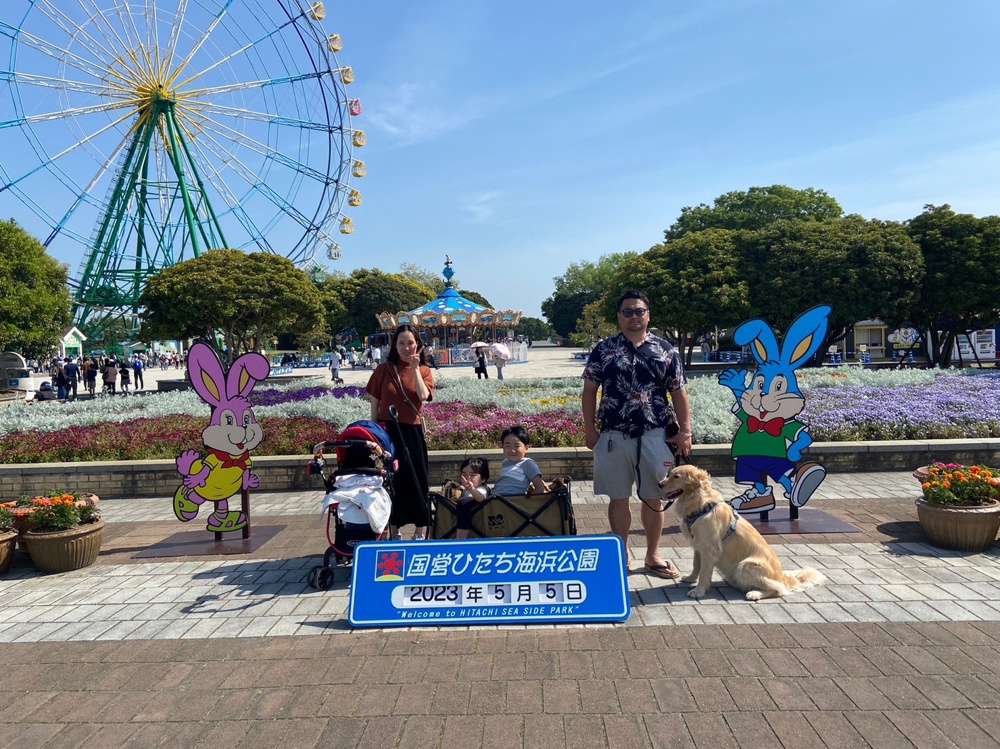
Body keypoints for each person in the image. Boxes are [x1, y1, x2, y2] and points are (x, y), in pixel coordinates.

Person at [582, 289, 693, 579]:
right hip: (614, 434)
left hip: (655, 434)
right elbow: (590, 392)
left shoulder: (666, 350)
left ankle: (653, 556)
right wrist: (590, 429)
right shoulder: (604, 349)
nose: (634, 316)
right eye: (628, 311)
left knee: (654, 498)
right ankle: (621, 554)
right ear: (619, 317)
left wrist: (685, 431)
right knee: (618, 497)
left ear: (648, 315)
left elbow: (679, 393)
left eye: (639, 311)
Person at [366, 325, 434, 541]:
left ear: (418, 345)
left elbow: (423, 396)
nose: (406, 347)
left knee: (418, 479)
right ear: (394, 345)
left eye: (410, 343)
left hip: (412, 431)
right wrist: (373, 434)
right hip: (388, 432)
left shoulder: (424, 371)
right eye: (401, 343)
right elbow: (375, 404)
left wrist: (415, 368)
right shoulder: (383, 370)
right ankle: (394, 529)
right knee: (392, 481)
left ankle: (420, 531)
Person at [492, 425, 546, 496]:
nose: (512, 450)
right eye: (508, 446)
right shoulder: (506, 462)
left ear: (526, 448)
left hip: (512, 503)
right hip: (495, 498)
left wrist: (525, 501)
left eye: (517, 446)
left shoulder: (528, 464)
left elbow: (540, 488)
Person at [453, 457, 490, 539]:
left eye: (472, 475)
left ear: (483, 479)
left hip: (476, 519)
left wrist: (472, 489)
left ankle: (460, 539)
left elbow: (480, 498)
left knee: (463, 503)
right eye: (464, 475)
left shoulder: (481, 489)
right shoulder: (466, 490)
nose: (467, 478)